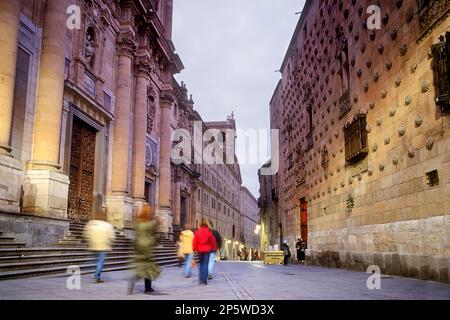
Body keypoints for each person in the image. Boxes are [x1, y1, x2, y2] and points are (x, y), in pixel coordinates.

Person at [128, 205, 161, 295]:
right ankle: (147, 287)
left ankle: (136, 280)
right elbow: (155, 233)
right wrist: (157, 222)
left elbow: (136, 231)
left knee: (143, 266)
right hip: (148, 246)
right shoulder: (150, 223)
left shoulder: (138, 222)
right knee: (149, 267)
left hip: (139, 246)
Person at [193, 218, 217, 285]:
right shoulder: (209, 232)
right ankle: (204, 280)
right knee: (205, 264)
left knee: (201, 264)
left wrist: (194, 249)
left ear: (200, 224)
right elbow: (213, 241)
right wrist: (214, 248)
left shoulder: (197, 232)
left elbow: (195, 241)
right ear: (207, 224)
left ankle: (201, 279)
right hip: (207, 250)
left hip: (200, 250)